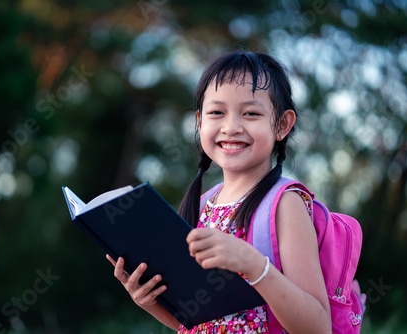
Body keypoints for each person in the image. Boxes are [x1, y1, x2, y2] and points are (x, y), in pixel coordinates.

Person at [106, 51, 332, 333]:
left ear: (282, 125)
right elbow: (196, 321)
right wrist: (148, 301)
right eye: (216, 112)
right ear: (200, 121)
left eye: (251, 113)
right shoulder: (202, 205)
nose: (231, 127)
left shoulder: (285, 204)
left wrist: (253, 265)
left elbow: (318, 327)